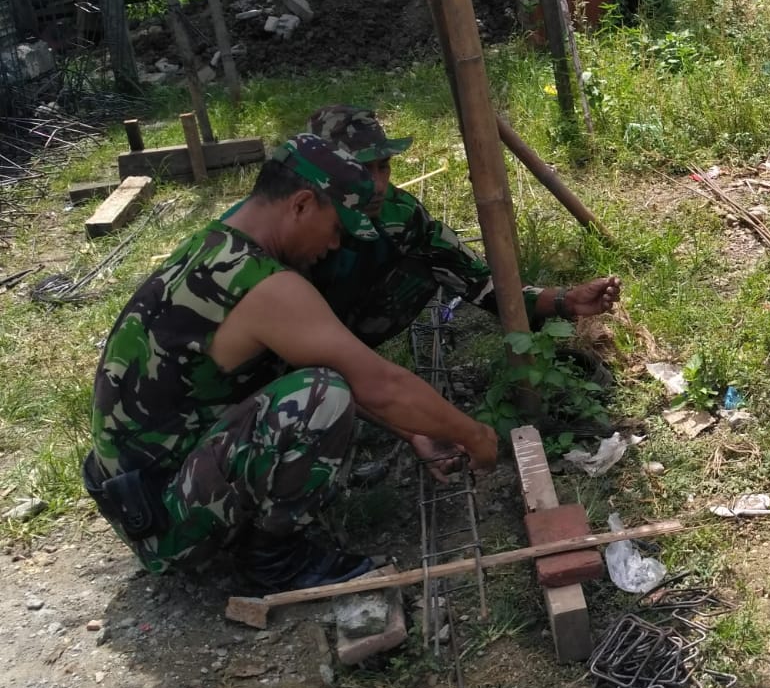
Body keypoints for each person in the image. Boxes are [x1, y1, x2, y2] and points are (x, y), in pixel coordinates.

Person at [86, 134, 501, 592]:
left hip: (142, 501)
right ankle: (274, 561)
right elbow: (381, 384)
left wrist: (416, 433)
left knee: (316, 378)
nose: (335, 245)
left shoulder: (215, 248)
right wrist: (475, 436)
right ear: (301, 204)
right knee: (322, 394)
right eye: (336, 228)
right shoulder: (268, 288)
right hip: (167, 525)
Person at [305, 105, 619, 349]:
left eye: (383, 166)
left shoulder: (399, 214)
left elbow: (480, 282)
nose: (375, 184)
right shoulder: (289, 226)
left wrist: (567, 300)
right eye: (358, 168)